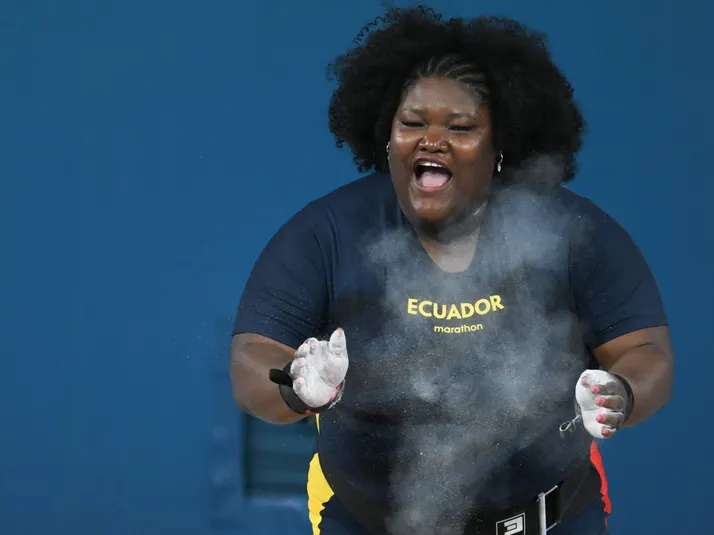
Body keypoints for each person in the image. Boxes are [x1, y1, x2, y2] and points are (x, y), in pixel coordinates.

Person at [230, 6, 674, 535]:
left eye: (460, 128)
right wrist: (297, 388)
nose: (432, 140)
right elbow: (252, 360)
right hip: (365, 522)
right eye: (412, 124)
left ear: (499, 146)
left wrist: (618, 392)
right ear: (387, 137)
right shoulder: (327, 233)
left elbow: (645, 352)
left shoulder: (572, 232)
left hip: (552, 521)